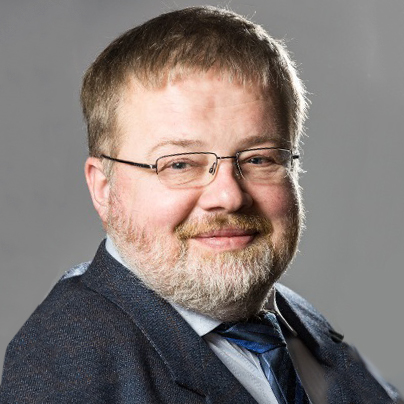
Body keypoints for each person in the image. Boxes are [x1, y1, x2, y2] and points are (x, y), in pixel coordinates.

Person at [0, 6, 402, 404]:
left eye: (259, 159)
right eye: (180, 164)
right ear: (104, 188)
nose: (229, 196)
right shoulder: (66, 374)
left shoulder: (301, 325)